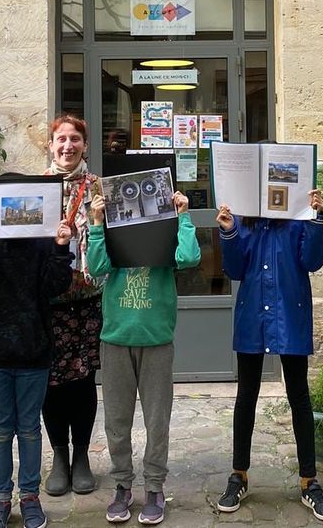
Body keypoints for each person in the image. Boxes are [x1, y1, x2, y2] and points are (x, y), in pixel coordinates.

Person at [215, 190, 323, 522]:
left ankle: (309, 481)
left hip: (290, 315)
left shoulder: (296, 219)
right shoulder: (244, 221)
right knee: (246, 396)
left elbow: (313, 261)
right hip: (253, 315)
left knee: (299, 396)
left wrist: (316, 219)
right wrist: (229, 231)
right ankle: (238, 475)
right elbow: (234, 270)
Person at [0, 195, 75, 528]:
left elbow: (56, 286)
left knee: (29, 429)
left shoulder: (41, 240)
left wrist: (61, 248)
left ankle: (30, 497)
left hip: (33, 349)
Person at [86, 189, 200, 525]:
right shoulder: (114, 230)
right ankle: (122, 485)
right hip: (116, 339)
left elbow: (189, 257)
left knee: (157, 421)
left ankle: (154, 488)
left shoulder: (164, 232)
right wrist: (97, 223)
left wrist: (183, 216)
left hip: (156, 340)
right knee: (116, 422)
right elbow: (96, 266)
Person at [42, 114, 104, 496]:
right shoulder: (37, 187)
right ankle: (59, 456)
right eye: (61, 139)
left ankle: (81, 455)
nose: (68, 146)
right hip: (49, 301)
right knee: (51, 382)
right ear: (50, 145)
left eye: (75, 139)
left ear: (85, 145)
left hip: (87, 298)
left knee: (82, 380)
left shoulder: (98, 187)